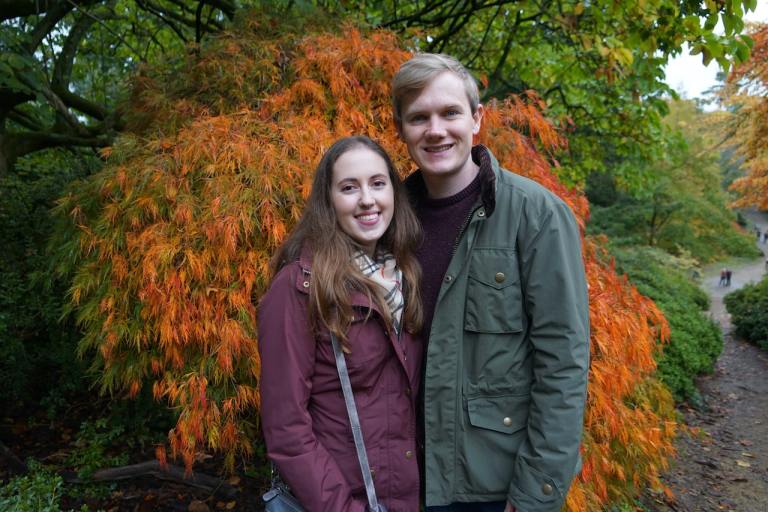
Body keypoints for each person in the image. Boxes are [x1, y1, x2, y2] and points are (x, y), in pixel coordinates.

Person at [392, 54, 590, 512]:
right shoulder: (387, 221)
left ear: (476, 119)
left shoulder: (535, 215)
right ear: (400, 129)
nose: (436, 130)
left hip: (490, 487)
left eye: (450, 113)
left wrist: (537, 492)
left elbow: (563, 361)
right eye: (419, 117)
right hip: (398, 479)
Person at [258, 136, 424, 511]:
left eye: (377, 183)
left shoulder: (405, 277)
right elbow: (286, 429)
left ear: (393, 193)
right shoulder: (299, 288)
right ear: (328, 200)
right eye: (349, 188)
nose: (367, 199)